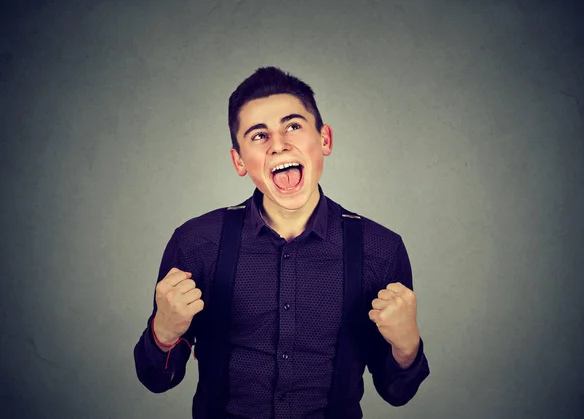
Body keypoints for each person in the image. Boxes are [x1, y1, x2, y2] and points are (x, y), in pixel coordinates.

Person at [133, 66, 430, 418]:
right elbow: (156, 379)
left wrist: (407, 344)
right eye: (259, 135)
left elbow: (398, 392)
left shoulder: (380, 250)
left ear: (325, 140)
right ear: (239, 161)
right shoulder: (197, 243)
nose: (279, 145)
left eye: (293, 126)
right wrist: (163, 333)